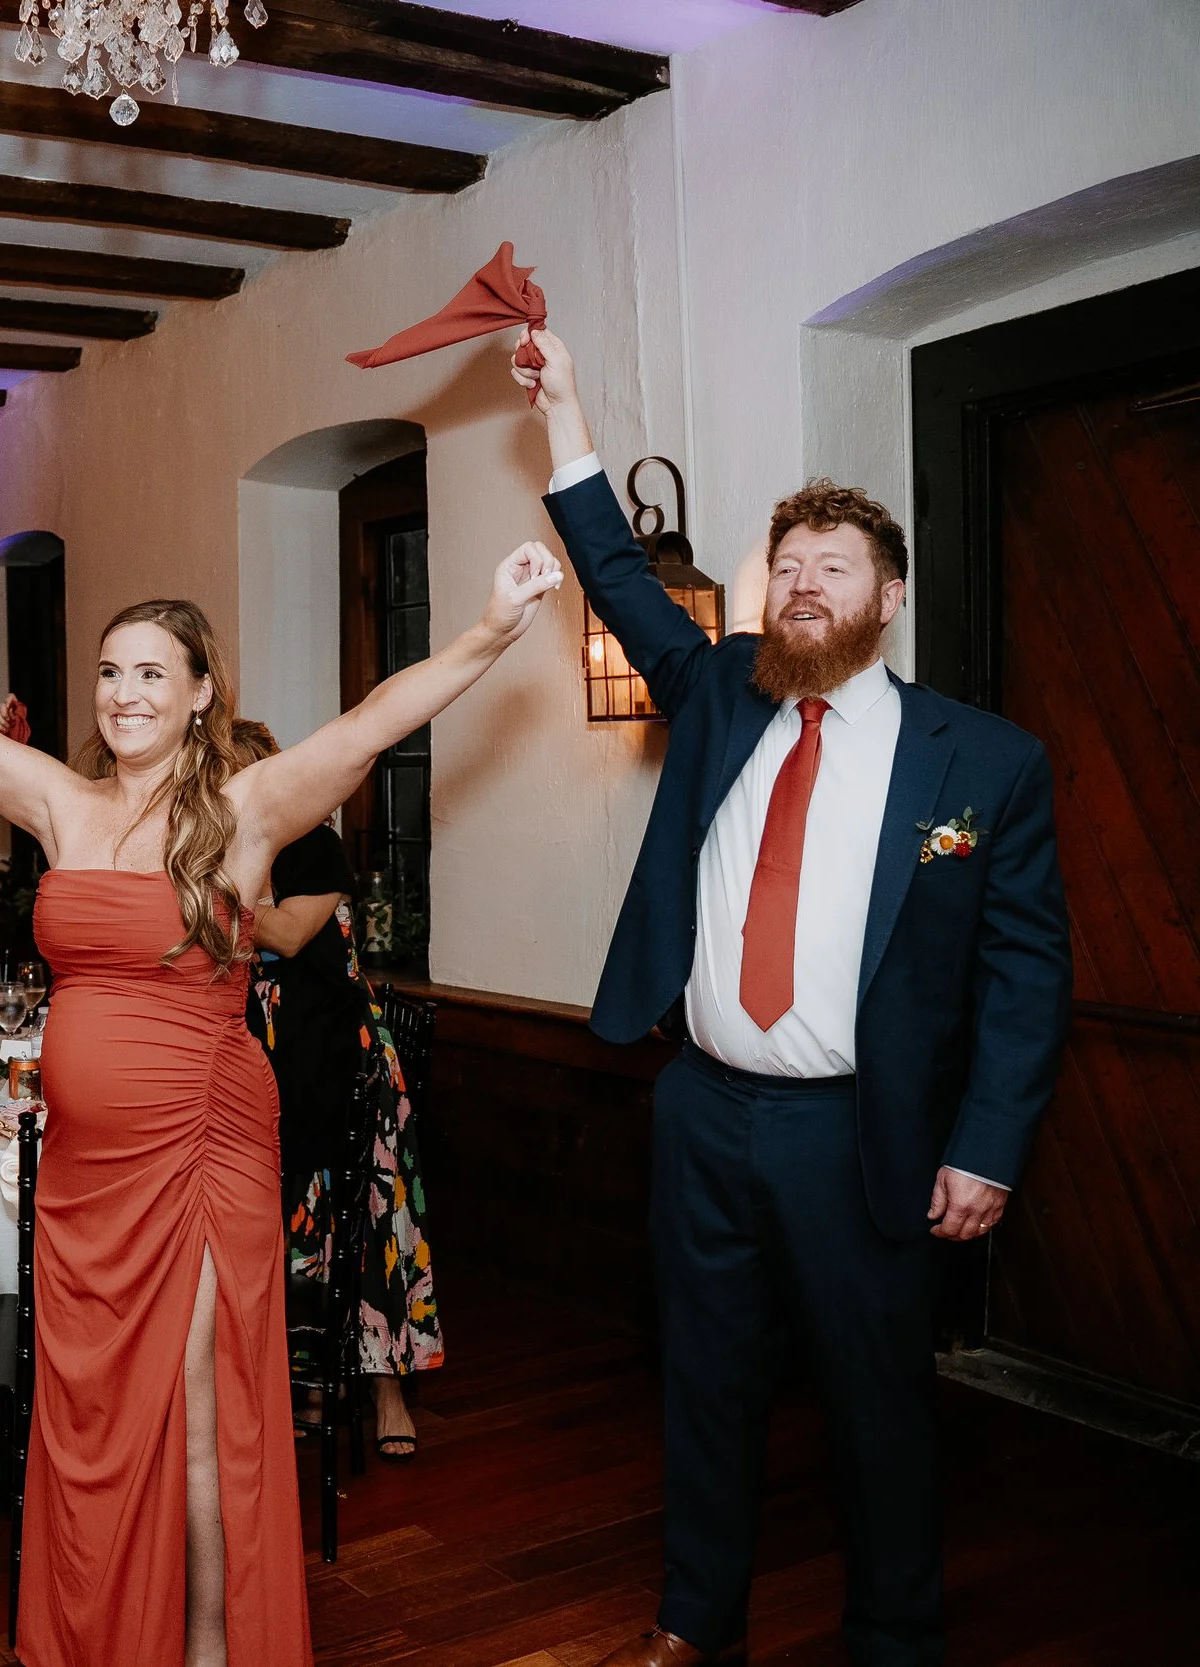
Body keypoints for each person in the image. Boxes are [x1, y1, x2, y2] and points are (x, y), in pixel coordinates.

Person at [0, 524, 561, 1667]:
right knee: (93, 1415)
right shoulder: (62, 804)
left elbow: (373, 723)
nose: (124, 693)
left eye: (150, 673)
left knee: (204, 1416)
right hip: (82, 1166)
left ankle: (218, 1650)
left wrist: (488, 625)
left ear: (200, 694)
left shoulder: (250, 809)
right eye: (110, 671)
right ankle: (102, 1635)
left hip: (200, 1145)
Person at [517, 330, 1070, 1667]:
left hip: (857, 1128)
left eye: (834, 567)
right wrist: (568, 408)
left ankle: (892, 1631)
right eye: (788, 567)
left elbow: (1025, 967)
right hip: (701, 1108)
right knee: (702, 1380)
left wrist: (987, 1141)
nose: (803, 584)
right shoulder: (717, 691)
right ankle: (695, 1618)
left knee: (878, 1401)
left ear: (887, 596)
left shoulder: (982, 762)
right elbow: (612, 569)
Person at [232, 723, 441, 1463]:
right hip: (271, 1070)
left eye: (250, 776)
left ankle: (386, 1388)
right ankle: (304, 1379)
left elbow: (287, 934)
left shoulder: (310, 846)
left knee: (370, 1224)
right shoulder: (222, 857)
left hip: (345, 1069)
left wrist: (224, 888)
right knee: (289, 1228)